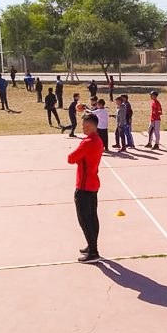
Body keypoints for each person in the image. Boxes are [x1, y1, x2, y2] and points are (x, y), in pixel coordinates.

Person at [67, 113, 105, 264]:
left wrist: (79, 157)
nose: (82, 126)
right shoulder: (98, 140)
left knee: (84, 220)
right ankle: (92, 246)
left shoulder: (88, 142)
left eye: (83, 124)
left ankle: (93, 252)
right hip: (93, 184)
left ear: (90, 125)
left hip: (84, 186)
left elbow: (71, 158)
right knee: (92, 218)